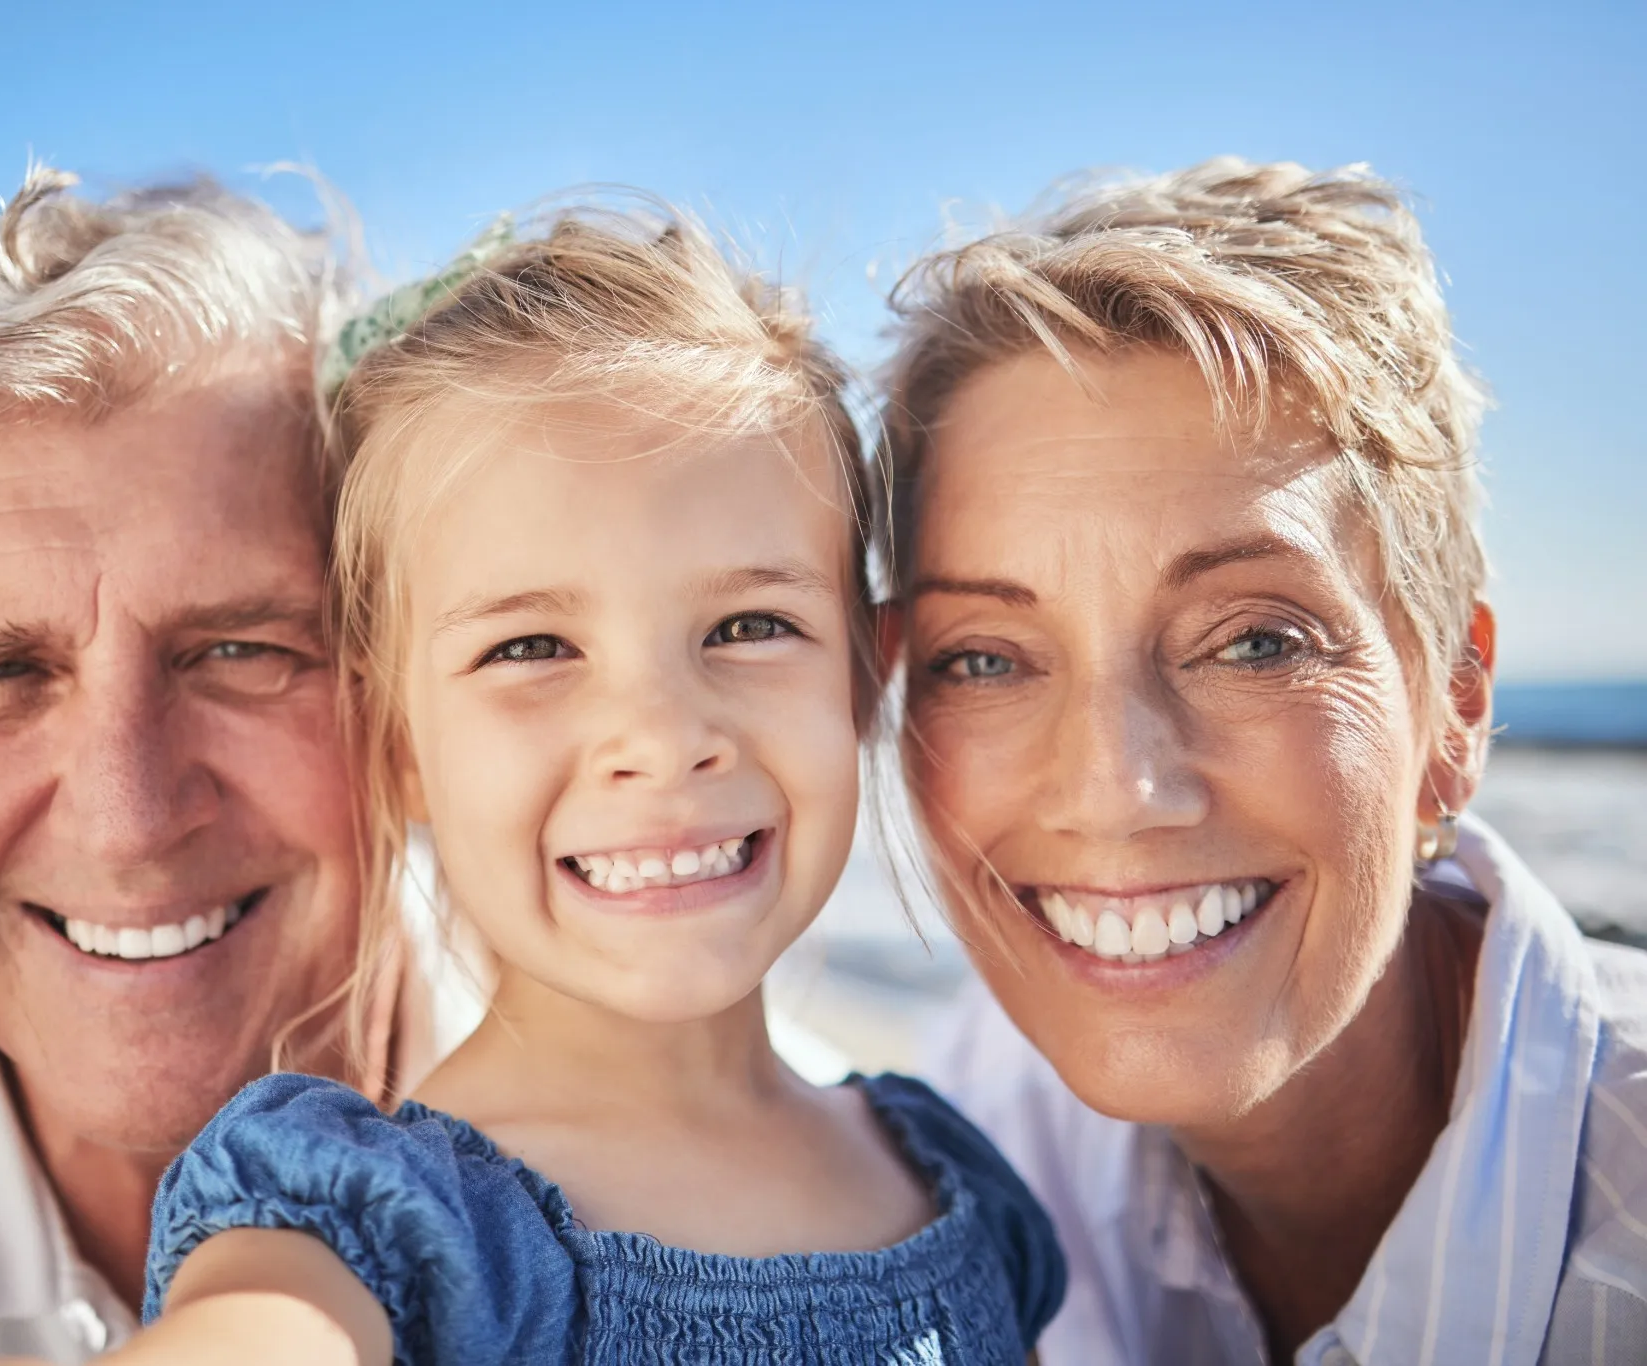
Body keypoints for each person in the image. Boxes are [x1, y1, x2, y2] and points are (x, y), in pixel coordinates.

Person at [100, 204, 1066, 1365]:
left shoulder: (958, 1180)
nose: (661, 738)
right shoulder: (376, 1232)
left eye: (749, 624)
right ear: (395, 744)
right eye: (531, 649)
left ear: (866, 676)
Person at [881, 158, 1647, 1363]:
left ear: (1451, 706)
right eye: (984, 659)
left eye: (1253, 642)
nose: (1113, 791)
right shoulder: (965, 1130)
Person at [0, 167, 419, 1361]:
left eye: (237, 650)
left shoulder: (777, 1212)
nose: (127, 818)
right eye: (0, 675)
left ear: (403, 688)